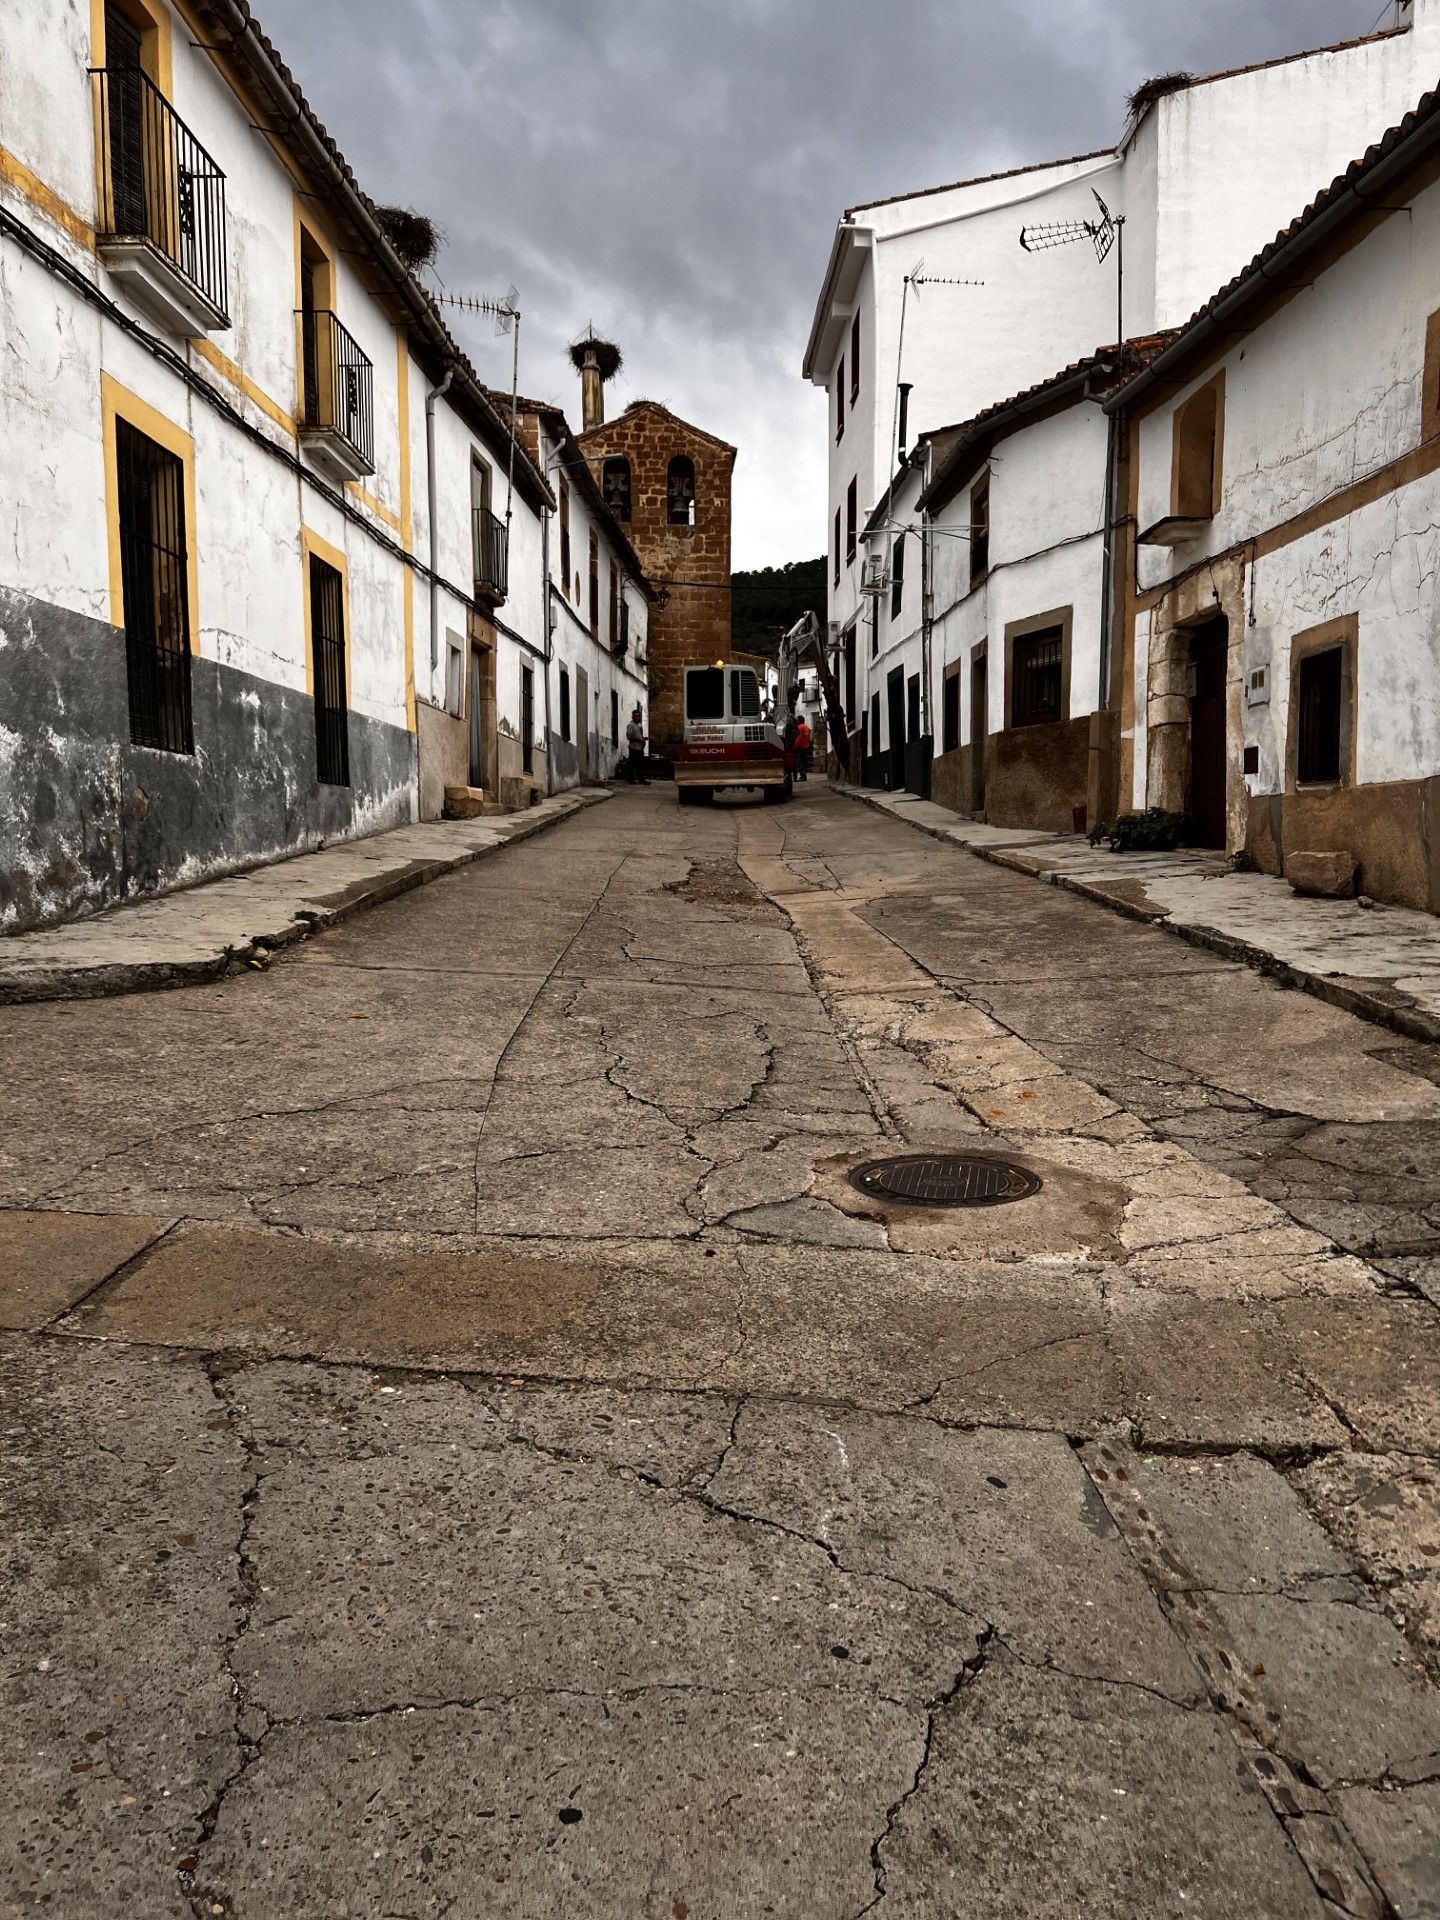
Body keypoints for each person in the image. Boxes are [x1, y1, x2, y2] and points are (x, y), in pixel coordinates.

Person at [625, 706, 648, 784]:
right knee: (632, 764)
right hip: (633, 747)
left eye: (638, 716)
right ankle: (631, 779)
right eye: (635, 716)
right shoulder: (630, 725)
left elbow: (639, 735)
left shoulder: (639, 725)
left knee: (640, 765)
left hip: (639, 748)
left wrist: (643, 739)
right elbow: (629, 737)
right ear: (632, 716)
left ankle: (641, 780)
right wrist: (639, 739)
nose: (637, 717)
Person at [793, 715, 813, 782]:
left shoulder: (799, 727)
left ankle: (802, 776)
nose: (796, 721)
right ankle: (804, 776)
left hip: (800, 747)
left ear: (799, 720)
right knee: (804, 762)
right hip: (806, 746)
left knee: (800, 762)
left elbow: (799, 737)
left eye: (797, 719)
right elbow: (808, 736)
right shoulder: (806, 727)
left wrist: (796, 745)